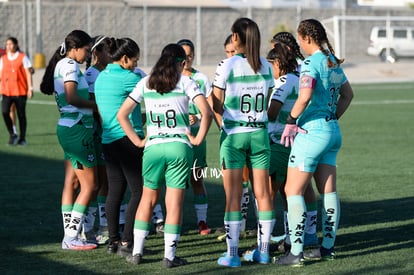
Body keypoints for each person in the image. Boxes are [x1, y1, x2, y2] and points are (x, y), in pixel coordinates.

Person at [117, 43, 212, 268]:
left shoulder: (146, 82)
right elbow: (206, 111)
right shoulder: (186, 81)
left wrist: (139, 140)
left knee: (147, 199)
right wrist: (198, 139)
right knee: (174, 203)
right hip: (179, 146)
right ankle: (169, 257)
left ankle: (137, 252)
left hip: (153, 147)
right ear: (180, 63)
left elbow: (122, 115)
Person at [275, 18, 354, 266]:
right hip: (332, 131)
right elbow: (348, 94)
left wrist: (291, 119)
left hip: (312, 132)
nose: (300, 44)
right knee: (328, 192)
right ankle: (327, 248)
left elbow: (305, 95)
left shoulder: (311, 62)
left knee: (292, 190)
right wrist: (331, 118)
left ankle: (295, 253)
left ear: (307, 38)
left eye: (300, 39)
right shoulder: (332, 61)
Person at [211, 17, 275, 267]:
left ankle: (233, 255)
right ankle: (264, 251)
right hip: (260, 134)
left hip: (235, 135)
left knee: (234, 196)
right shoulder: (267, 67)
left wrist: (225, 114)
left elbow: (215, 100)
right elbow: (267, 98)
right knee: (263, 194)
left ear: (236, 37)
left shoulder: (226, 65)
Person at [40, 29, 98, 250]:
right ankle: (71, 237)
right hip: (77, 129)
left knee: (72, 182)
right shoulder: (71, 65)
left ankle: (69, 235)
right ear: (75, 48)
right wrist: (96, 107)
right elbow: (72, 96)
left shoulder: (62, 64)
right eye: (86, 49)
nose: (87, 54)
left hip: (68, 127)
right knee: (89, 185)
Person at [94, 37, 145, 257]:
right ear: (124, 58)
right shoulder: (129, 78)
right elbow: (155, 88)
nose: (136, 64)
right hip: (128, 140)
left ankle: (113, 241)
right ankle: (127, 241)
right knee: (139, 191)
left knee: (115, 192)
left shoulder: (100, 77)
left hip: (108, 141)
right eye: (134, 60)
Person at [270, 31, 319, 251]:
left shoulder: (293, 72)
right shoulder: (301, 69)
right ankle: (303, 233)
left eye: (275, 52)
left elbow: (274, 111)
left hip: (285, 137)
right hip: (304, 135)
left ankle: (276, 238)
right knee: (301, 186)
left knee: (276, 190)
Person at [216, 34, 254, 241]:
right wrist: (222, 124)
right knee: (231, 183)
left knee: (248, 182)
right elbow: (215, 103)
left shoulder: (250, 68)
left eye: (233, 51)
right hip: (230, 133)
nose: (230, 55)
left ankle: (242, 225)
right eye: (228, 52)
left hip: (249, 132)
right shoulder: (223, 68)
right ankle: (233, 225)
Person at [177, 38, 212, 235]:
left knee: (197, 179)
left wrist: (197, 116)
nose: (187, 59)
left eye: (190, 55)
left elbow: (208, 108)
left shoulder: (201, 79)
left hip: (197, 137)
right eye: (183, 55)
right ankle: (175, 221)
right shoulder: (169, 78)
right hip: (176, 139)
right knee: (176, 182)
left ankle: (202, 221)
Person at [82, 35, 112, 245]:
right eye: (108, 51)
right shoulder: (91, 75)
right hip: (97, 134)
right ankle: (90, 226)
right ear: (96, 53)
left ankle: (103, 224)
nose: (111, 55)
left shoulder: (108, 73)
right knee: (96, 182)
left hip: (107, 133)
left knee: (106, 182)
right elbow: (94, 108)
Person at [0, 36, 34, 145]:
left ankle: (22, 138)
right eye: (7, 44)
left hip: (20, 91)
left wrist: (30, 88)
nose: (9, 46)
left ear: (16, 44)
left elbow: (29, 73)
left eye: (10, 44)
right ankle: (12, 134)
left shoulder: (23, 57)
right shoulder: (3, 59)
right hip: (6, 91)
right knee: (5, 112)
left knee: (21, 115)